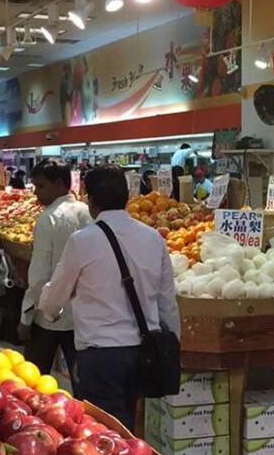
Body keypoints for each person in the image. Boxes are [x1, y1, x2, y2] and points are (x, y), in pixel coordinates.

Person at [39, 164, 180, 429]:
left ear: (90, 200)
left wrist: (49, 311)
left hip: (101, 355)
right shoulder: (153, 239)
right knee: (134, 424)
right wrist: (171, 344)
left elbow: (56, 294)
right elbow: (166, 302)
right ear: (127, 197)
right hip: (144, 350)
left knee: (105, 431)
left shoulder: (82, 241)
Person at [20, 160, 92, 381]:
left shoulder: (48, 218)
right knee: (81, 381)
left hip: (48, 314)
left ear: (60, 184)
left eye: (40, 186)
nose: (36, 193)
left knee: (34, 380)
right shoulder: (88, 213)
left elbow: (39, 275)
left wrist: (25, 316)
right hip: (82, 314)